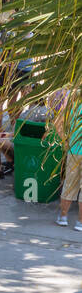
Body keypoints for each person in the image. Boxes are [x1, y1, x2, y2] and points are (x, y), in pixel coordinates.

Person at [53, 89, 82, 229]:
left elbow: (58, 123)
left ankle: (63, 216)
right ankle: (80, 222)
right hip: (74, 149)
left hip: (74, 150)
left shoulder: (73, 102)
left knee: (69, 184)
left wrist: (65, 142)